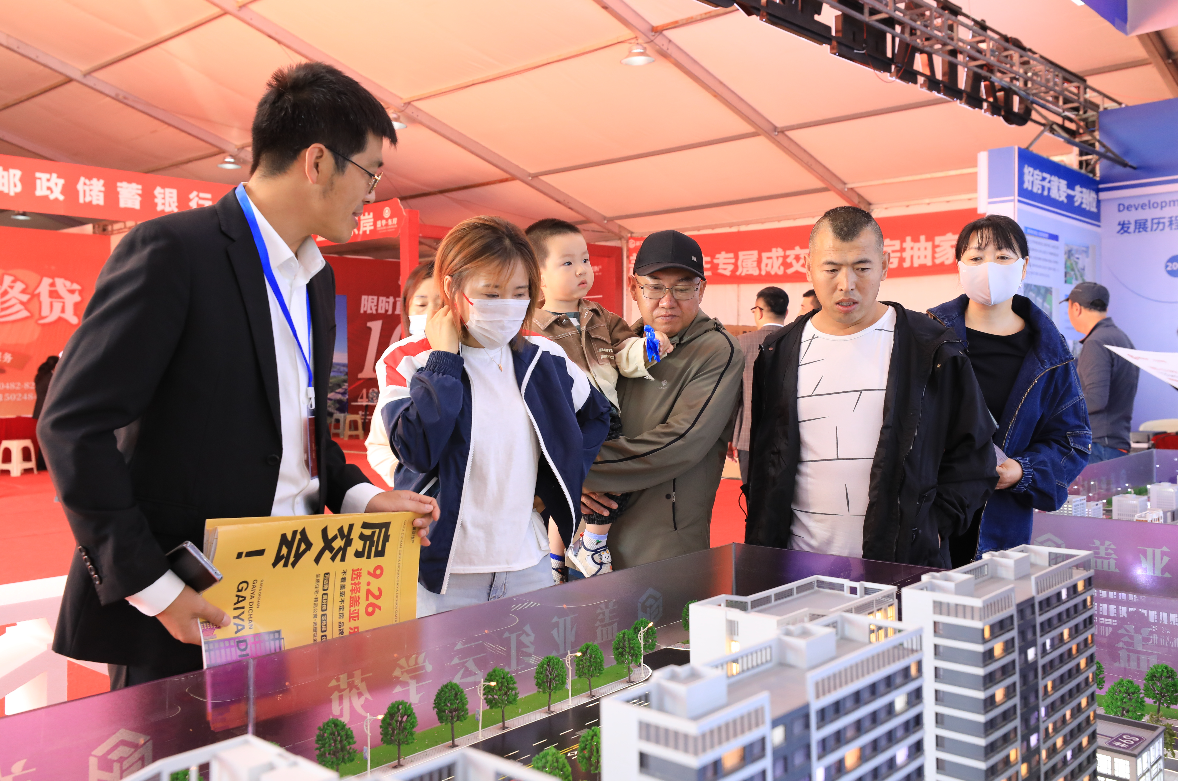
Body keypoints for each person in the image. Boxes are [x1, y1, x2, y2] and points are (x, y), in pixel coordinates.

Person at [37, 62, 440, 688]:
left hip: (292, 589)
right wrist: (156, 587)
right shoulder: (175, 252)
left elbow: (300, 429)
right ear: (317, 162)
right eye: (369, 173)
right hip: (187, 603)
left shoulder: (316, 277)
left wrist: (361, 497)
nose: (372, 195)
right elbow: (72, 426)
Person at [375, 216, 610, 616]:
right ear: (452, 287)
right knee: (442, 661)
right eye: (491, 293)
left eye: (519, 293)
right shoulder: (408, 359)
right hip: (443, 573)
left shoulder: (544, 357)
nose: (507, 306)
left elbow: (597, 416)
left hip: (529, 565)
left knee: (537, 659)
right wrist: (444, 361)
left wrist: (558, 479)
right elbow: (416, 449)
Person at [744, 207, 997, 568]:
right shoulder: (778, 352)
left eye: (862, 268)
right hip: (796, 565)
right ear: (808, 267)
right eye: (831, 269)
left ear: (885, 265)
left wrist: (934, 527)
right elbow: (767, 460)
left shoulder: (931, 348)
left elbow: (975, 454)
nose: (846, 284)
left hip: (900, 566)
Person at [928, 215, 1090, 564]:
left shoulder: (1049, 353)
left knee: (991, 598)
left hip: (1001, 526)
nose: (989, 267)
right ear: (960, 266)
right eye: (976, 258)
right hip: (929, 520)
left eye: (1002, 257)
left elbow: (1073, 439)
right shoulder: (927, 336)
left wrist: (1022, 470)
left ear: (1024, 266)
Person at [580, 230, 742, 569]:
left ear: (701, 290)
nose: (667, 301)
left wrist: (578, 471)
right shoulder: (619, 346)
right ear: (633, 288)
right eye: (654, 287)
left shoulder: (716, 349)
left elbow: (680, 442)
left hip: (663, 547)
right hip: (590, 539)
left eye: (682, 288)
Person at [525, 218, 671, 581]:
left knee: (601, 485)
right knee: (603, 483)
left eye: (585, 260)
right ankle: (586, 546)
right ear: (538, 275)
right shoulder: (529, 327)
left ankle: (566, 556)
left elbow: (627, 353)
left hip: (603, 415)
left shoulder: (602, 317)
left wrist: (652, 347)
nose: (582, 270)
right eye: (567, 262)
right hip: (563, 422)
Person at [365, 260, 442, 485]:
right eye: (421, 304)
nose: (432, 313)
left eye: (442, 304)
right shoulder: (399, 366)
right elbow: (378, 446)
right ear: (407, 310)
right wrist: (413, 484)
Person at [1063, 281, 1139, 464]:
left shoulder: (1096, 342)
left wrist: (1058, 409)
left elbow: (1096, 399)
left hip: (1097, 447)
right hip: (1112, 445)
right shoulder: (1122, 338)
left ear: (1076, 308)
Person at [733, 286, 788, 483]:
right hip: (788, 437)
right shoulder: (797, 341)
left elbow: (733, 395)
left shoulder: (741, 343)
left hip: (748, 435)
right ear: (786, 312)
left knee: (752, 491)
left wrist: (732, 435)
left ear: (759, 311)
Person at [31, 354, 58, 419]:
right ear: (56, 365)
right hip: (48, 410)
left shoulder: (40, 375)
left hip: (39, 410)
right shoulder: (51, 377)